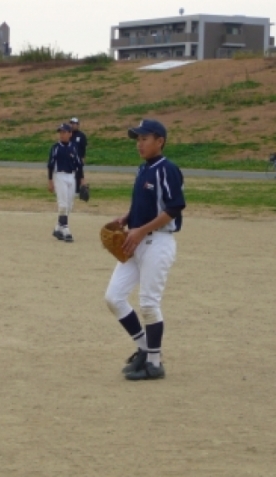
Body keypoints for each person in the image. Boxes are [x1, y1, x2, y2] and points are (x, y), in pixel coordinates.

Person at [104, 119, 186, 381]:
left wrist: (141, 230)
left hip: (157, 242)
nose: (139, 144)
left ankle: (154, 364)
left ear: (159, 141)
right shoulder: (143, 169)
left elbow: (174, 207)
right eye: (138, 140)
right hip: (135, 241)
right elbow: (145, 203)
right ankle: (143, 349)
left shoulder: (167, 169)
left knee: (149, 304)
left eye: (144, 139)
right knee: (114, 297)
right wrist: (128, 218)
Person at [48, 123, 86, 243]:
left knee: (69, 205)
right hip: (59, 176)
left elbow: (79, 165)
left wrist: (82, 180)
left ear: (70, 134)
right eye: (60, 132)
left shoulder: (73, 147)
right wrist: (50, 181)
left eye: (64, 132)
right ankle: (66, 229)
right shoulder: (56, 147)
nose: (62, 134)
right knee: (63, 203)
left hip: (72, 177)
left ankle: (58, 228)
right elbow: (50, 165)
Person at [69, 117, 88, 194]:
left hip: (78, 157)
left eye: (74, 124)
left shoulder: (81, 135)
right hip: (70, 157)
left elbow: (83, 148)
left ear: (78, 125)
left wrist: (83, 157)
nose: (73, 125)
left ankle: (78, 189)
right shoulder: (69, 134)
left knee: (79, 173)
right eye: (71, 123)